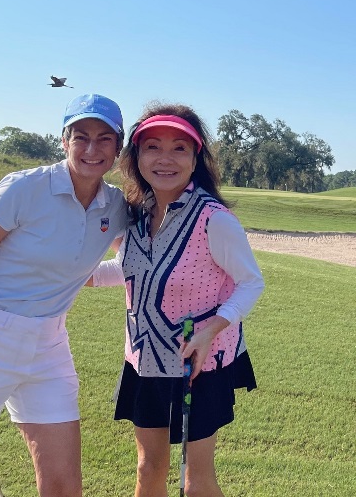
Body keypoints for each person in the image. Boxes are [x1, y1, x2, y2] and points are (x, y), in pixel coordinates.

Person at [0, 94, 129, 497]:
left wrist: (83, 276)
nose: (91, 149)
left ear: (118, 148)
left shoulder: (115, 205)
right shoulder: (24, 187)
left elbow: (135, 265)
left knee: (64, 487)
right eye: (80, 136)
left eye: (104, 139)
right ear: (63, 141)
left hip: (49, 348)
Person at [89, 102, 264, 497]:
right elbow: (130, 269)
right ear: (136, 155)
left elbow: (251, 283)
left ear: (195, 157)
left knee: (196, 482)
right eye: (152, 146)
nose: (164, 158)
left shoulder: (214, 219)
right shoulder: (135, 213)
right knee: (148, 469)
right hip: (144, 358)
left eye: (179, 148)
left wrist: (211, 332)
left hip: (199, 362)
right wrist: (71, 274)